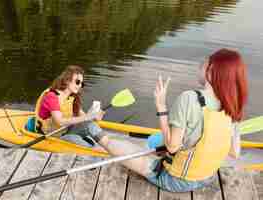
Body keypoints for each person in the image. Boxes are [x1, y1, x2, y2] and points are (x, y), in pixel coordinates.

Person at [83, 49, 248, 192]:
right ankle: (157, 152)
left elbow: (172, 146)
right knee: (157, 141)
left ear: (211, 70)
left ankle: (92, 129)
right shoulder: (232, 104)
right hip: (207, 177)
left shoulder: (190, 98)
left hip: (178, 181)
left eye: (205, 62)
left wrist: (161, 105)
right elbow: (234, 152)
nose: (200, 65)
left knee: (122, 148)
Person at [26, 65, 105, 148]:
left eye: (82, 83)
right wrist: (88, 117)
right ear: (67, 80)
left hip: (65, 130)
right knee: (88, 147)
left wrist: (94, 117)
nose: (80, 85)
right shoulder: (52, 96)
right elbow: (60, 121)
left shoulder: (72, 96)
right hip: (52, 135)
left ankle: (108, 147)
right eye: (77, 82)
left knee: (90, 125)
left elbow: (83, 117)